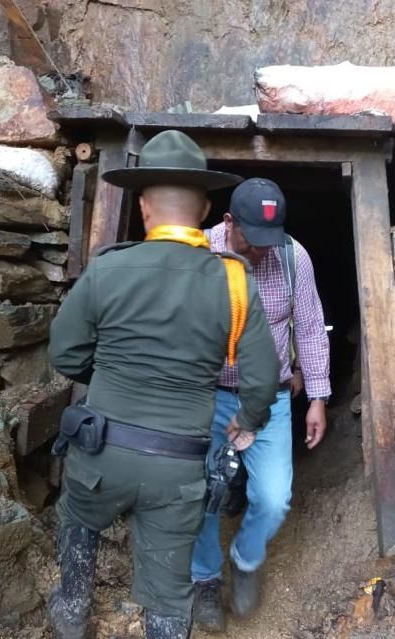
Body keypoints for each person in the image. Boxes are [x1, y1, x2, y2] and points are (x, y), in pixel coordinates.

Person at [46, 130, 281, 639]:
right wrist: (245, 423)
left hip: (99, 448)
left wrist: (108, 376)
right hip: (178, 466)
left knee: (81, 526)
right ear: (202, 210)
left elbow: (64, 354)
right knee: (171, 595)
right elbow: (263, 382)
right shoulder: (235, 281)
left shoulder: (108, 268)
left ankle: (71, 607)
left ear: (146, 207)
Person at [192, 178, 332, 632]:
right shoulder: (198, 253)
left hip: (269, 398)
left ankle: (246, 559)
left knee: (273, 499)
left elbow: (310, 327)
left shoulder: (292, 257)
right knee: (200, 493)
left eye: (265, 243)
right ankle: (205, 579)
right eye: (250, 241)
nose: (257, 252)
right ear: (228, 222)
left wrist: (318, 396)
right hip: (207, 395)